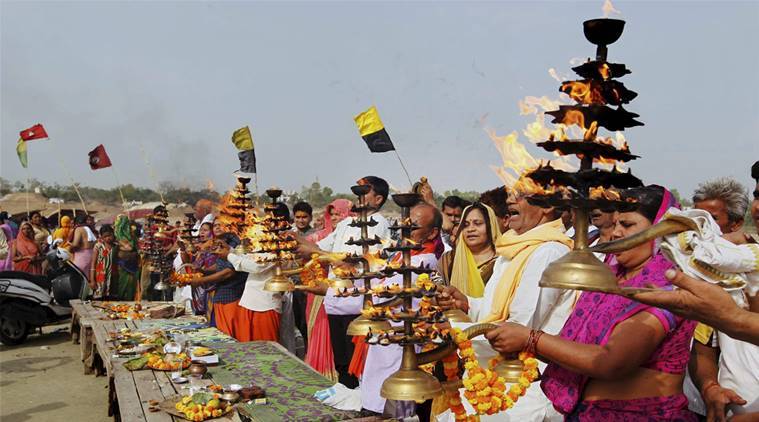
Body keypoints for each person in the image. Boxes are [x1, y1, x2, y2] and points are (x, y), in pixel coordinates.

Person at [486, 185, 698, 421]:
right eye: (616, 223)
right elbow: (575, 348)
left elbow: (611, 362)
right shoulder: (611, 278)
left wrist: (531, 339)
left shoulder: (666, 286)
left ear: (660, 231)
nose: (616, 233)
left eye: (627, 225)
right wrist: (526, 342)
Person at [437, 186, 573, 421]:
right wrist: (467, 304)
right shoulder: (514, 248)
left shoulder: (549, 251)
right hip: (499, 372)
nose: (510, 200)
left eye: (520, 195)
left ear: (548, 207)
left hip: (528, 380)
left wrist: (452, 334)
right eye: (511, 194)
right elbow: (495, 308)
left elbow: (518, 328)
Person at [297, 176, 391, 389]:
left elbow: (353, 257)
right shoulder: (347, 223)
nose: (358, 195)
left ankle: (362, 404)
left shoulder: (380, 223)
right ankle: (346, 398)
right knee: (341, 360)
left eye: (364, 191)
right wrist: (287, 236)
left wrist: (317, 252)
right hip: (335, 301)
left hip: (359, 305)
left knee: (357, 362)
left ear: (377, 199)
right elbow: (318, 247)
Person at [361, 203, 443, 416]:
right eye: (404, 225)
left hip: (404, 345)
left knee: (395, 408)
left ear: (432, 233)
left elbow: (382, 293)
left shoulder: (424, 263)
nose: (406, 231)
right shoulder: (404, 256)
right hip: (387, 340)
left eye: (413, 227)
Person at [301, 198, 355, 380]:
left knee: (345, 349)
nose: (334, 218)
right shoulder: (325, 235)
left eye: (338, 214)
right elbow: (313, 250)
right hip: (320, 293)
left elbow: (340, 260)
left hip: (345, 296)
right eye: (331, 214)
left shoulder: (354, 232)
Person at [188, 235, 247, 340]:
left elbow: (227, 272)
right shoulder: (220, 250)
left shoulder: (235, 249)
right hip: (220, 298)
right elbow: (219, 266)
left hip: (232, 299)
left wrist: (201, 280)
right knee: (220, 334)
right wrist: (203, 270)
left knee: (229, 337)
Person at [437, 203, 501, 294]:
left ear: (491, 226)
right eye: (465, 225)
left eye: (477, 223)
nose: (470, 229)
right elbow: (435, 287)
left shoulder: (502, 261)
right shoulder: (448, 259)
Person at [112, 215, 140, 301]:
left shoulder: (125, 234)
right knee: (124, 281)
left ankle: (128, 299)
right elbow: (130, 247)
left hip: (131, 262)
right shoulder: (118, 234)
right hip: (123, 263)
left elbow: (131, 247)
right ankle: (125, 299)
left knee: (130, 282)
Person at [69, 214, 97, 284]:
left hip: (81, 257)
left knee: (79, 280)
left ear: (76, 223)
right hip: (91, 255)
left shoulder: (79, 229)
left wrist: (70, 248)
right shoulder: (89, 229)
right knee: (87, 279)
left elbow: (75, 244)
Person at [90, 225, 116, 300]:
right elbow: (93, 263)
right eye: (105, 236)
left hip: (112, 277)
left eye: (110, 235)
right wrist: (92, 280)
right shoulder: (98, 247)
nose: (108, 238)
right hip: (100, 277)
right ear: (101, 237)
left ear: (113, 234)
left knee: (111, 299)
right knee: (99, 299)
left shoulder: (116, 246)